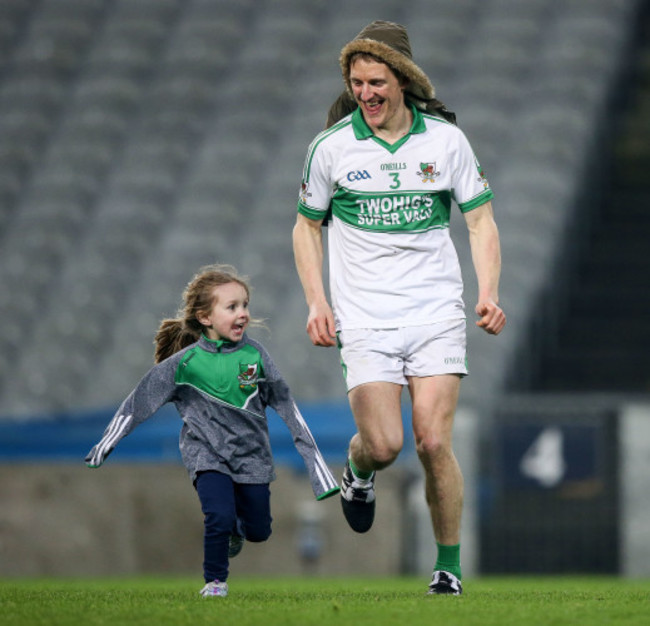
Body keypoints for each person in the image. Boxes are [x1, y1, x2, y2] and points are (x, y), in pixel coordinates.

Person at [292, 21, 505, 596]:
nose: (365, 92)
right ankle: (359, 472)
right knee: (384, 445)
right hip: (365, 320)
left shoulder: (445, 141)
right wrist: (318, 301)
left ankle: (448, 568)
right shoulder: (330, 148)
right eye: (357, 82)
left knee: (433, 441)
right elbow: (306, 227)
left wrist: (487, 291)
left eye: (376, 81)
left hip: (436, 310)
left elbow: (480, 219)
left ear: (404, 81)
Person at [85, 264, 339, 598]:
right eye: (232, 307)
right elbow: (138, 402)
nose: (243, 314)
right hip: (206, 454)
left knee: (260, 530)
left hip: (252, 459)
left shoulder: (256, 356)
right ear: (205, 317)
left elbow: (288, 407)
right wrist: (107, 443)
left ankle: (237, 527)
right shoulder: (184, 364)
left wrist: (318, 470)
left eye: (245, 305)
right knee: (217, 515)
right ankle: (215, 582)